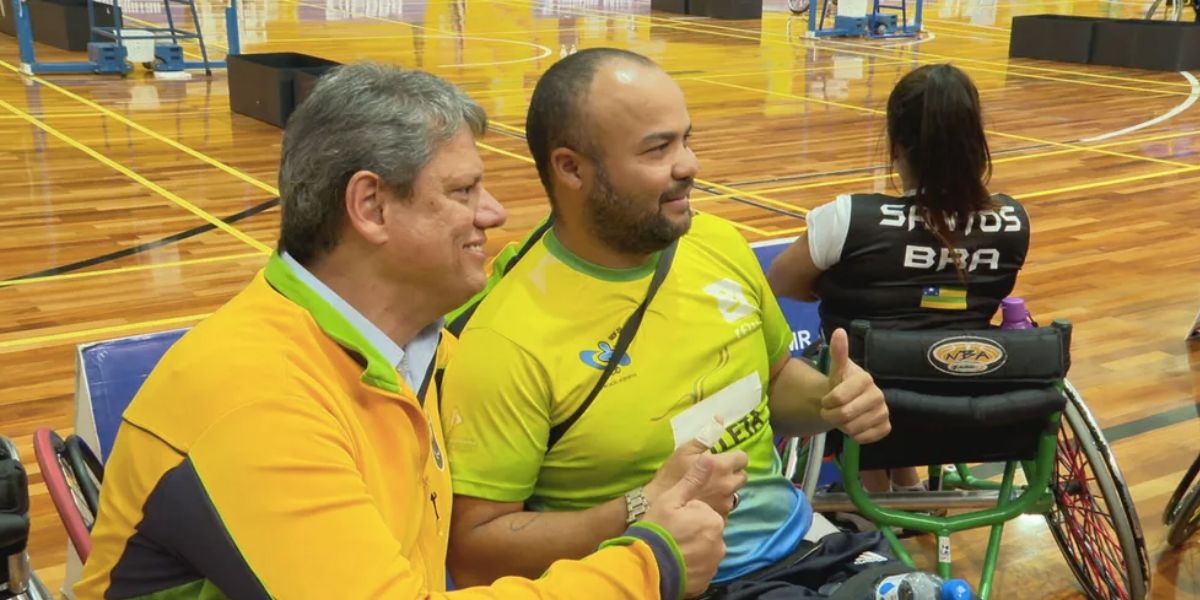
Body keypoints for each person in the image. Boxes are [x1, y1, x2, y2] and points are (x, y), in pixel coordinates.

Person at [75, 62, 731, 600]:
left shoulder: (423, 350)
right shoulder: (253, 397)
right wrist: (649, 566)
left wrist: (639, 512)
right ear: (371, 207)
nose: (495, 213)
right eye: (463, 191)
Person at [439, 48, 891, 596]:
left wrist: (829, 400)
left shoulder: (718, 242)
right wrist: (638, 511)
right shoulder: (505, 337)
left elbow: (772, 382)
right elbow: (474, 555)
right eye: (658, 149)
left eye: (686, 140)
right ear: (571, 168)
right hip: (661, 582)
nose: (688, 165)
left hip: (804, 547)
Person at [767, 63, 1030, 493]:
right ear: (975, 142)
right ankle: (906, 484)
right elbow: (944, 297)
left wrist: (838, 288)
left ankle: (875, 491)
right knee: (920, 337)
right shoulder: (1014, 220)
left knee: (848, 354)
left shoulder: (848, 218)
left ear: (896, 144)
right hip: (962, 397)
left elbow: (781, 281)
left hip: (870, 397)